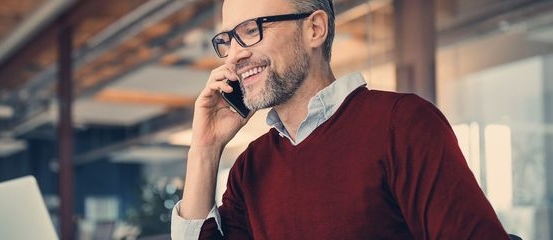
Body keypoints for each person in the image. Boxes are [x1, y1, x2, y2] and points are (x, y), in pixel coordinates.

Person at [171, 0, 509, 239]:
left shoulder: (402, 124)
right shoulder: (250, 167)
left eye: (251, 29)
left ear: (315, 29)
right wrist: (204, 149)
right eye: (228, 40)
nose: (235, 54)